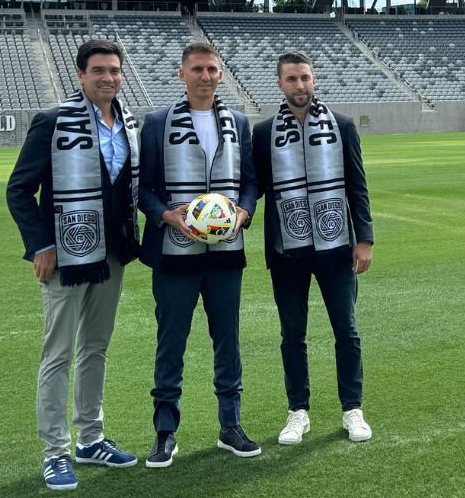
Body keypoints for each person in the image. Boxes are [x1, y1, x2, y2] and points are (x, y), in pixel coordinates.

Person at [7, 38, 141, 490]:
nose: (109, 78)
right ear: (81, 75)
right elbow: (19, 190)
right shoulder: (52, 121)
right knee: (58, 354)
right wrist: (41, 245)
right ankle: (55, 451)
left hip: (113, 254)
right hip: (66, 254)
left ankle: (91, 437)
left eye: (115, 71)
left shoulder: (129, 123)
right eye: (99, 71)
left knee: (95, 350)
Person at [137, 41, 259, 467]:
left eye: (212, 69)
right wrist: (167, 216)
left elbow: (250, 181)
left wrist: (243, 210)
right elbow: (144, 189)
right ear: (181, 75)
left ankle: (230, 425)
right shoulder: (156, 122)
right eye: (197, 70)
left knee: (228, 341)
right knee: (171, 342)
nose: (205, 76)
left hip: (227, 252)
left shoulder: (239, 122)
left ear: (220, 75)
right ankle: (165, 432)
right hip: (175, 254)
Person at [252, 51, 374, 445]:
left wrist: (365, 239)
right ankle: (297, 412)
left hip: (337, 244)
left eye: (305, 77)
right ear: (280, 84)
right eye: (291, 79)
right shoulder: (264, 131)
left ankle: (352, 409)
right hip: (288, 248)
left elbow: (357, 183)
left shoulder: (341, 125)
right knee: (292, 335)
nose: (299, 85)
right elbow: (257, 187)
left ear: (314, 80)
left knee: (347, 331)